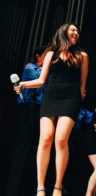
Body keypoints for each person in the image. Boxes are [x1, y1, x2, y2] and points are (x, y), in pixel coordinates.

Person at [13, 23, 89, 196]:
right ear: (63, 33)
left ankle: (58, 186)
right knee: (46, 138)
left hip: (71, 99)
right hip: (51, 97)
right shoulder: (50, 54)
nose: (76, 33)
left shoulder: (82, 56)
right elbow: (41, 80)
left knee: (61, 139)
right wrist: (23, 84)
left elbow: (82, 86)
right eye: (73, 30)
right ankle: (40, 187)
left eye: (77, 31)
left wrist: (78, 102)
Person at [6, 46, 46, 196]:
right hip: (28, 107)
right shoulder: (31, 67)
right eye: (45, 56)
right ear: (38, 56)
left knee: (35, 149)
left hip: (39, 110)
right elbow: (42, 79)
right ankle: (13, 190)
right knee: (22, 147)